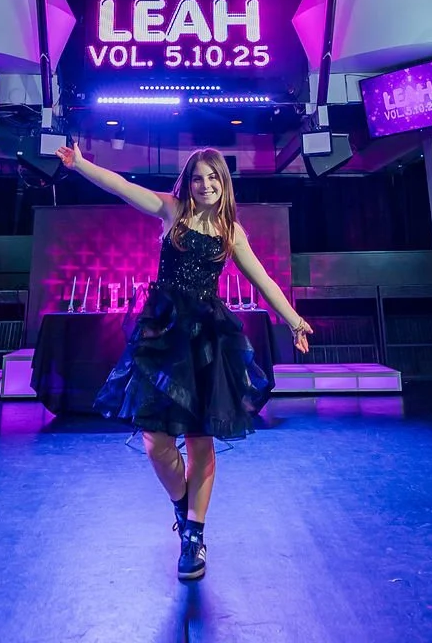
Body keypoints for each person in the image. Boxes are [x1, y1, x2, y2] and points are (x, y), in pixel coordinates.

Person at [54, 142, 313, 582]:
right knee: (156, 442)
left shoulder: (231, 232)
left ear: (223, 183)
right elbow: (120, 186)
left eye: (213, 178)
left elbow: (264, 281)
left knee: (200, 441)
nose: (205, 185)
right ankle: (182, 505)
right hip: (164, 335)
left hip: (207, 339)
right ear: (188, 183)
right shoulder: (171, 211)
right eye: (198, 178)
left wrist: (294, 321)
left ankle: (193, 535)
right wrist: (80, 164)